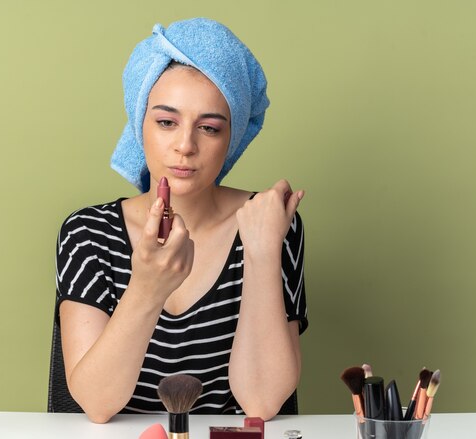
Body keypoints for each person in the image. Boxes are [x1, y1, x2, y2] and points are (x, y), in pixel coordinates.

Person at [55, 18, 307, 423]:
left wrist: (262, 252)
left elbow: (260, 404)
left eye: (208, 128)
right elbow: (97, 405)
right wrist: (147, 287)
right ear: (140, 125)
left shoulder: (269, 222)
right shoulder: (88, 234)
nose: (185, 146)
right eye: (166, 122)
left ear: (232, 138)